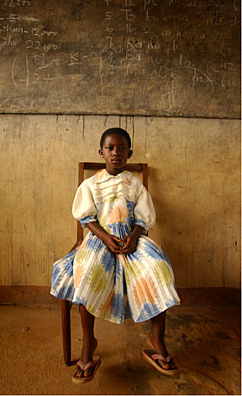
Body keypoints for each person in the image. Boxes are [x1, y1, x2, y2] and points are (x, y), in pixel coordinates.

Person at [50, 127, 180, 383]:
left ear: (129, 153)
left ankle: (156, 338)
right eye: (110, 148)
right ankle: (89, 345)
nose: (116, 153)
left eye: (122, 148)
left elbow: (143, 218)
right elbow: (87, 219)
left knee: (159, 269)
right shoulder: (91, 184)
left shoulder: (135, 184)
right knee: (86, 273)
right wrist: (106, 237)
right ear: (101, 152)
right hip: (101, 239)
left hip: (131, 240)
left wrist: (134, 236)